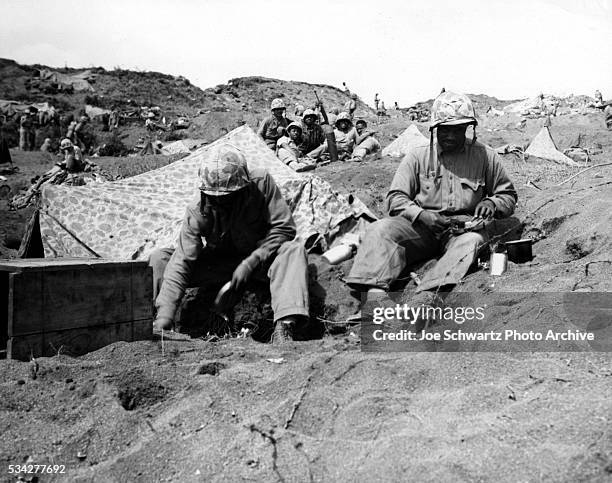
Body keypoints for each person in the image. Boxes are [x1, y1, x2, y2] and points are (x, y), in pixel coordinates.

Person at [344, 91, 517, 301]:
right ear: (435, 129)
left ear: (467, 128)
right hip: (421, 228)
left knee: (472, 242)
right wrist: (421, 215)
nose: (450, 136)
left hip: (463, 230)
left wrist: (492, 202)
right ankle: (375, 296)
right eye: (444, 130)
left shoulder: (485, 156)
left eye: (457, 130)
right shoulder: (417, 156)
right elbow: (395, 198)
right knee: (380, 229)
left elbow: (507, 195)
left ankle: (426, 295)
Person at [150, 143, 310, 343]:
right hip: (219, 265)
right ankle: (157, 321)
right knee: (160, 259)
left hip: (261, 262)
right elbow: (182, 260)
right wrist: (166, 314)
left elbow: (284, 228)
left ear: (243, 188)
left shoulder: (261, 183)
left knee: (293, 250)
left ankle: (284, 326)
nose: (220, 203)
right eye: (214, 198)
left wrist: (251, 262)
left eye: (227, 197)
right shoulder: (198, 210)